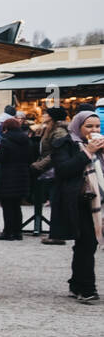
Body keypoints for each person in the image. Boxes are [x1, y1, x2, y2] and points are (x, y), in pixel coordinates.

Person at [51, 111, 104, 303]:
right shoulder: (64, 144)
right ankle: (87, 288)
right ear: (78, 126)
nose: (94, 130)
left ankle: (76, 284)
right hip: (78, 201)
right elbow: (64, 170)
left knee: (85, 246)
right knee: (87, 244)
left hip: (98, 201)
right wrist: (88, 152)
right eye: (89, 126)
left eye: (97, 126)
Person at [0, 117, 33, 241]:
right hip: (23, 175)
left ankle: (8, 232)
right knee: (16, 205)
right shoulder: (26, 140)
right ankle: (18, 232)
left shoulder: (6, 141)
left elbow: (0, 158)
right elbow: (31, 158)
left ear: (6, 128)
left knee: (8, 206)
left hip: (8, 176)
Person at [37, 106, 71, 245]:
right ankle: (55, 233)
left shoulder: (59, 132)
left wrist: (40, 165)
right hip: (51, 169)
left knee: (56, 202)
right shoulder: (52, 129)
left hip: (55, 170)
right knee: (55, 201)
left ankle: (57, 234)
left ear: (52, 117)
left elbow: (56, 153)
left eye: (47, 113)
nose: (44, 115)